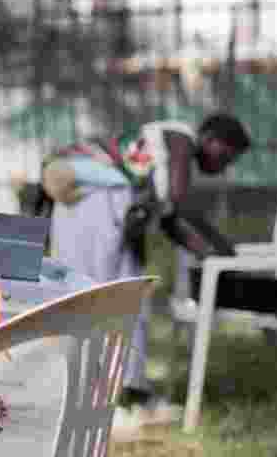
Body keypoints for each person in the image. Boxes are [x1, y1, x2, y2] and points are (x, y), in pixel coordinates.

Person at [39, 113, 251, 422]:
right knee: (93, 300)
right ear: (211, 140)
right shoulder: (180, 140)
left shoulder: (166, 151)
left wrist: (210, 252)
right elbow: (175, 207)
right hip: (90, 202)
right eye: (227, 155)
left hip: (108, 204)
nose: (225, 165)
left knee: (128, 300)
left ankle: (131, 395)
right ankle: (93, 403)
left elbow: (168, 213)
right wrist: (216, 247)